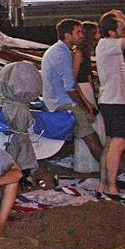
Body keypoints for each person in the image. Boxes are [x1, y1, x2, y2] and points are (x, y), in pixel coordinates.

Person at [40, 19, 103, 160]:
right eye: (78, 32)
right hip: (64, 102)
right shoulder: (62, 54)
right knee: (92, 138)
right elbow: (70, 87)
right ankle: (110, 175)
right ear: (67, 35)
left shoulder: (59, 51)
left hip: (56, 100)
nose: (82, 35)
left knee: (84, 138)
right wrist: (86, 109)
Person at [95, 10, 125, 196]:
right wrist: (124, 18)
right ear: (112, 32)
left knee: (111, 143)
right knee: (118, 143)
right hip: (115, 101)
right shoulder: (108, 45)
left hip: (112, 99)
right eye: (120, 28)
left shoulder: (106, 45)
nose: (124, 30)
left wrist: (122, 20)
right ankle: (111, 186)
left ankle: (103, 184)